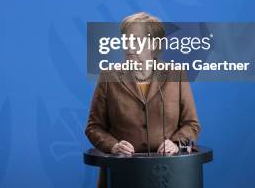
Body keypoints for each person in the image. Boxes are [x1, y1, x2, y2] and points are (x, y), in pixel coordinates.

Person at [85, 12, 201, 187]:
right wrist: (113, 146)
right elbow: (94, 127)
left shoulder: (175, 74)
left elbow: (191, 124)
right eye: (126, 40)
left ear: (154, 44)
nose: (129, 47)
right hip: (122, 174)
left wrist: (176, 143)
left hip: (168, 175)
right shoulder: (109, 76)